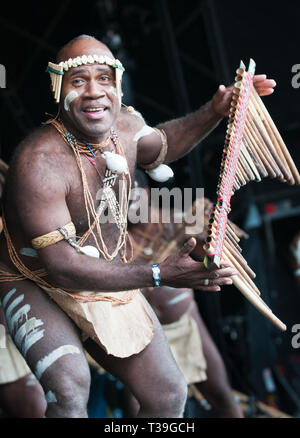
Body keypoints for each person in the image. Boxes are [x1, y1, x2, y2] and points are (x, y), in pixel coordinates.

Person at [0, 34, 275, 418]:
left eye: (104, 78)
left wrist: (214, 111)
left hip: (99, 267)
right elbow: (62, 265)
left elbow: (161, 145)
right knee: (70, 387)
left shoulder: (126, 126)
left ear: (118, 82)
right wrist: (160, 273)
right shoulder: (38, 163)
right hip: (36, 277)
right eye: (78, 81)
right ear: (57, 87)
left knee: (167, 394)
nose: (94, 92)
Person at [126, 175, 243, 418]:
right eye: (121, 198)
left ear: (146, 193)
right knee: (140, 409)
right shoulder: (113, 238)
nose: (128, 203)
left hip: (186, 325)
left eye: (133, 195)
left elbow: (212, 257)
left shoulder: (175, 223)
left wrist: (214, 233)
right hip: (141, 338)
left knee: (221, 395)